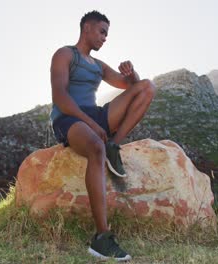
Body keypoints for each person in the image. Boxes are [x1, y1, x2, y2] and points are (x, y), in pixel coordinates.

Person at [50, 10, 155, 261]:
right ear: (86, 28)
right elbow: (60, 97)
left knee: (148, 86)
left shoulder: (98, 66)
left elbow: (130, 87)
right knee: (95, 147)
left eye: (107, 34)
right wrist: (89, 123)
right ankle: (102, 238)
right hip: (69, 117)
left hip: (95, 116)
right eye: (102, 31)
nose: (105, 38)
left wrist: (132, 75)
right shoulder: (65, 54)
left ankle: (114, 146)